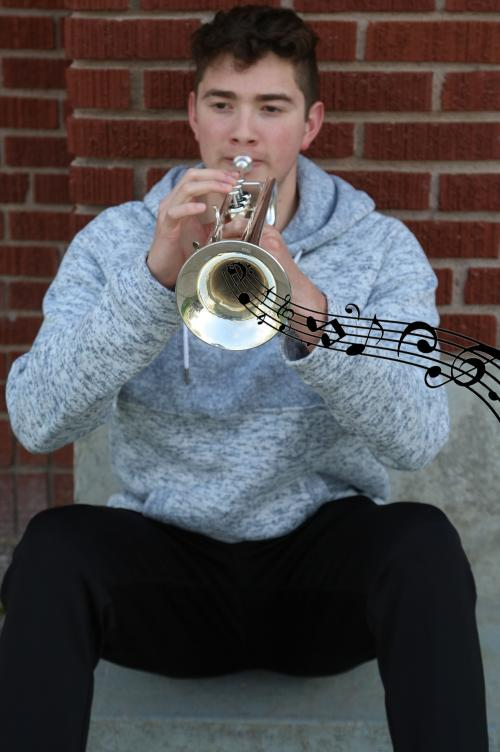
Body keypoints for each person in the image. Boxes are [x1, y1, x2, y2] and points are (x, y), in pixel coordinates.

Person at [0, 5, 489, 752]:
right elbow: (37, 421)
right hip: (167, 579)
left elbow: (417, 438)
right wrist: (153, 280)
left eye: (272, 107)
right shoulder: (115, 241)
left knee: (423, 543)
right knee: (51, 548)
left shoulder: (381, 247)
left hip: (317, 586)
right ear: (193, 114)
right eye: (223, 104)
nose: (244, 133)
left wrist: (309, 311)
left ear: (311, 123)